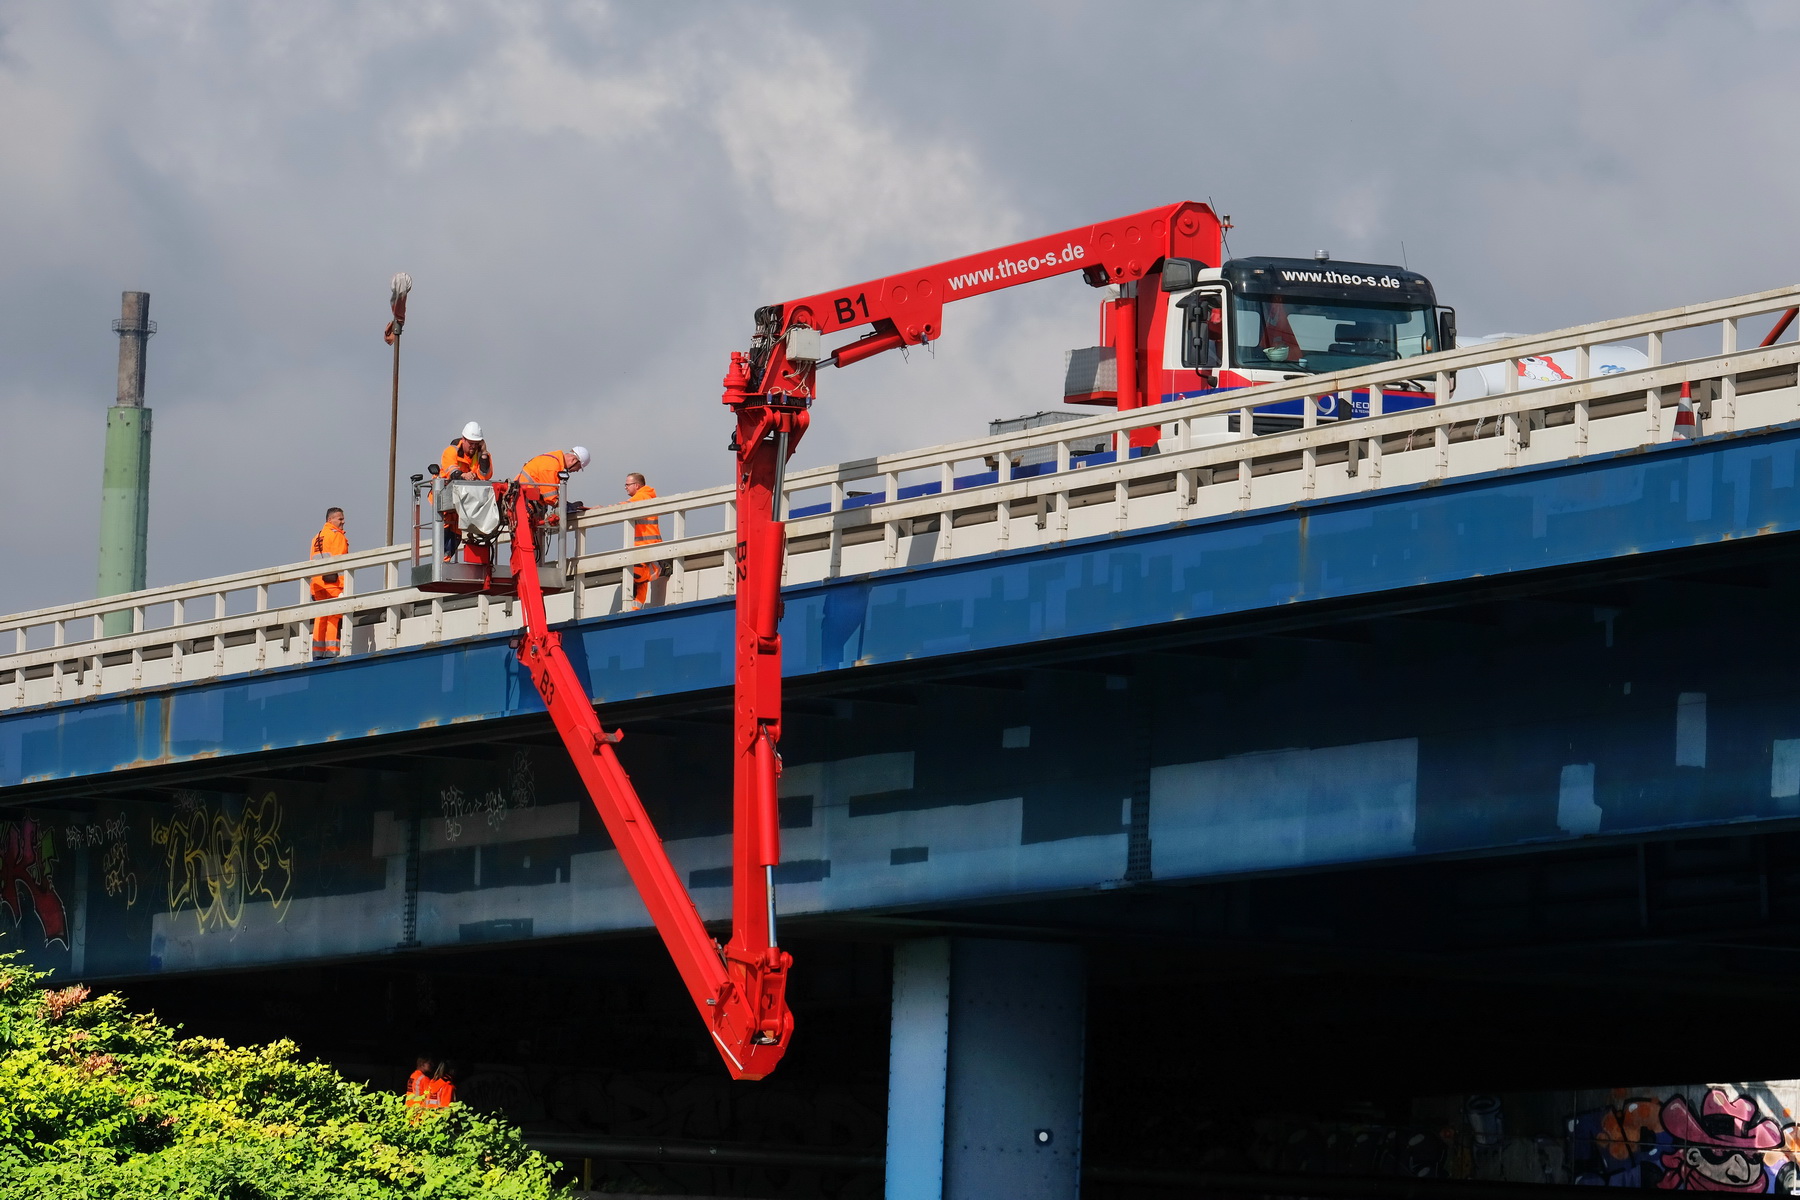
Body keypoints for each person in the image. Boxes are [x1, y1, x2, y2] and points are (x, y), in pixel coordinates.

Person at [439, 422, 494, 562]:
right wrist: (463, 475)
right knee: (445, 533)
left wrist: (484, 453)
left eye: (476, 444)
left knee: (456, 534)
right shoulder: (451, 451)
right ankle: (442, 562)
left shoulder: (481, 455)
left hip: (463, 501)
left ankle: (445, 560)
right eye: (471, 443)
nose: (473, 447)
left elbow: (485, 475)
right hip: (444, 498)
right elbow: (451, 470)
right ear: (463, 439)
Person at [308, 507, 348, 659]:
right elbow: (339, 561)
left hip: (317, 584)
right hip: (333, 583)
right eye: (340, 519)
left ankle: (317, 652)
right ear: (330, 520)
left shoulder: (317, 537)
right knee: (333, 617)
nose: (343, 522)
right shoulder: (336, 536)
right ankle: (331, 652)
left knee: (320, 617)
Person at [623, 472, 663, 611]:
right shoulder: (646, 496)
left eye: (627, 484)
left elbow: (623, 507)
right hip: (645, 546)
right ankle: (635, 609)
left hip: (646, 546)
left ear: (637, 485)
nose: (625, 488)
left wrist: (601, 509)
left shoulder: (643, 495)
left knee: (638, 576)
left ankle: (661, 569)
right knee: (640, 583)